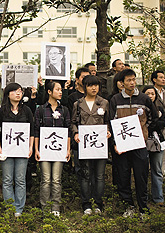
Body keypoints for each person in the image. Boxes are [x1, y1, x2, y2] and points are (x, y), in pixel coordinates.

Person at [109, 69, 158, 217]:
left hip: (139, 144)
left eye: (133, 79)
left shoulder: (144, 99)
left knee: (141, 176)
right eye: (128, 80)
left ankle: (143, 208)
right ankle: (128, 206)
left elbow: (153, 118)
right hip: (122, 146)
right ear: (121, 83)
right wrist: (115, 143)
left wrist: (144, 132)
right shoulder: (115, 100)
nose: (131, 83)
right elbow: (111, 122)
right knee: (123, 176)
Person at [0, 83, 34, 217]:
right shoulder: (2, 111)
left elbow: (32, 130)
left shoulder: (26, 110)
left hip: (22, 150)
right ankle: (9, 206)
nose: (18, 93)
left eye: (20, 91)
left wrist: (30, 147)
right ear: (8, 94)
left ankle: (19, 208)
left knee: (20, 179)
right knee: (7, 179)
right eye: (15, 91)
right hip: (7, 150)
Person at [71, 75, 110, 215]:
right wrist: (75, 133)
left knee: (99, 175)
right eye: (90, 85)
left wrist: (108, 132)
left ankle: (98, 204)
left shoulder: (104, 103)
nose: (94, 88)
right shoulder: (78, 104)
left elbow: (108, 121)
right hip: (85, 144)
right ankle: (86, 203)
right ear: (84, 87)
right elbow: (73, 122)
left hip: (100, 145)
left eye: (96, 85)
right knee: (85, 174)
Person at [34, 81, 71, 216]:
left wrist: (68, 149)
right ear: (49, 92)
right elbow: (37, 130)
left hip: (59, 150)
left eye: (61, 90)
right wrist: (36, 149)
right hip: (44, 149)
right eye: (57, 89)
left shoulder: (64, 110)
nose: (60, 92)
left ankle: (55, 208)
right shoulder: (41, 110)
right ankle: (45, 207)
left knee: (56, 179)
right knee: (45, 180)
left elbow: (67, 131)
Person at [142, 85, 165, 207]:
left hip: (157, 142)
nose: (150, 96)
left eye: (152, 93)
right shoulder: (139, 108)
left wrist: (150, 126)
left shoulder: (160, 108)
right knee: (143, 171)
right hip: (142, 142)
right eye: (148, 93)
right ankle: (143, 197)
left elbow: (164, 123)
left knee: (157, 170)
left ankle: (158, 197)